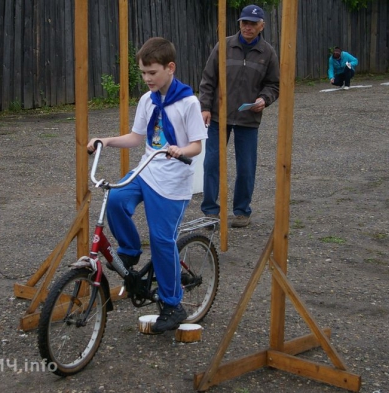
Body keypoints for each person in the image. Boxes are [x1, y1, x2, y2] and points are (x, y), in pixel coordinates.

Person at [87, 37, 207, 333]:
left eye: (152, 73)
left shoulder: (187, 102)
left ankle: (172, 303)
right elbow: (137, 138)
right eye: (143, 73)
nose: (147, 79)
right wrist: (107, 140)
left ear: (170, 68)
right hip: (146, 172)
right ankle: (129, 249)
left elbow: (196, 146)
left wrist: (181, 150)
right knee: (114, 200)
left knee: (161, 240)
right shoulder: (147, 100)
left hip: (172, 183)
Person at [199, 4, 279, 228]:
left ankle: (242, 211)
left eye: (253, 24)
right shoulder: (223, 46)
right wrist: (205, 107)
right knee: (211, 163)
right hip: (218, 116)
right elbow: (208, 79)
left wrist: (264, 99)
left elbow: (274, 85)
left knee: (246, 166)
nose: (247, 27)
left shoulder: (268, 53)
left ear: (261, 26)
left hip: (248, 119)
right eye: (244, 22)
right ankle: (210, 211)